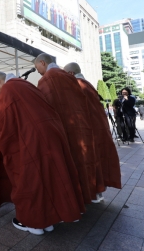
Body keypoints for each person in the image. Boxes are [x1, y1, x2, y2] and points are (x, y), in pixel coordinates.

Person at [0, 71, 85, 234]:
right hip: (52, 133)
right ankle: (49, 219)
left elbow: (3, 117)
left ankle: (33, 222)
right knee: (50, 176)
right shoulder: (27, 85)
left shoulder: (9, 88)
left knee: (28, 178)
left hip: (29, 138)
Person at [34, 54, 100, 204]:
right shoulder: (71, 77)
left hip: (63, 128)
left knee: (67, 164)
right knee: (83, 161)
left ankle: (72, 199)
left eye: (37, 67)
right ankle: (88, 194)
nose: (37, 70)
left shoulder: (48, 78)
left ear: (42, 63)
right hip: (80, 127)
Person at [64, 63, 121, 196]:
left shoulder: (77, 85)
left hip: (87, 129)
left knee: (89, 160)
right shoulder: (87, 84)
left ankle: (94, 191)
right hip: (97, 127)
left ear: (71, 74)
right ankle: (97, 191)